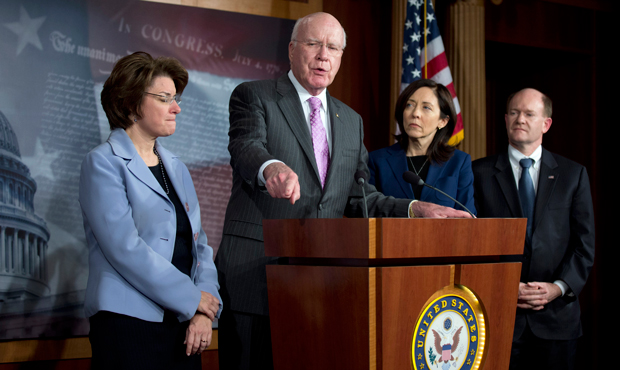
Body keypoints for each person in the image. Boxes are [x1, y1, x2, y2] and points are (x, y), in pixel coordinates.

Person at [215, 12, 471, 370]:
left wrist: (416, 209)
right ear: (291, 50)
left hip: (320, 285)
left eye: (333, 47)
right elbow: (246, 146)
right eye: (313, 44)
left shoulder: (350, 121)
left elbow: (361, 196)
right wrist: (270, 168)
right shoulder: (255, 95)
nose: (323, 55)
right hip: (256, 274)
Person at [79, 51, 222, 370]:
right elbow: (125, 249)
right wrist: (191, 299)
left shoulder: (177, 167)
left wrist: (203, 311)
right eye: (164, 98)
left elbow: (200, 246)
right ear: (131, 103)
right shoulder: (103, 162)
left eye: (176, 98)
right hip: (128, 324)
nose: (177, 108)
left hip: (185, 326)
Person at [472, 88, 595, 370]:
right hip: (497, 315)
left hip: (556, 318)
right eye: (514, 113)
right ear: (505, 120)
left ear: (546, 123)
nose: (520, 119)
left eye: (529, 114)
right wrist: (503, 285)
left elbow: (584, 244)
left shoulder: (573, 175)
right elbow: (472, 243)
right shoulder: (478, 173)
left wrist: (557, 287)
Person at [368, 79, 475, 214]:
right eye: (409, 105)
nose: (415, 114)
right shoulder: (377, 160)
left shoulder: (458, 162)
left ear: (442, 121)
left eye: (426, 107)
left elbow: (467, 216)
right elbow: (367, 209)